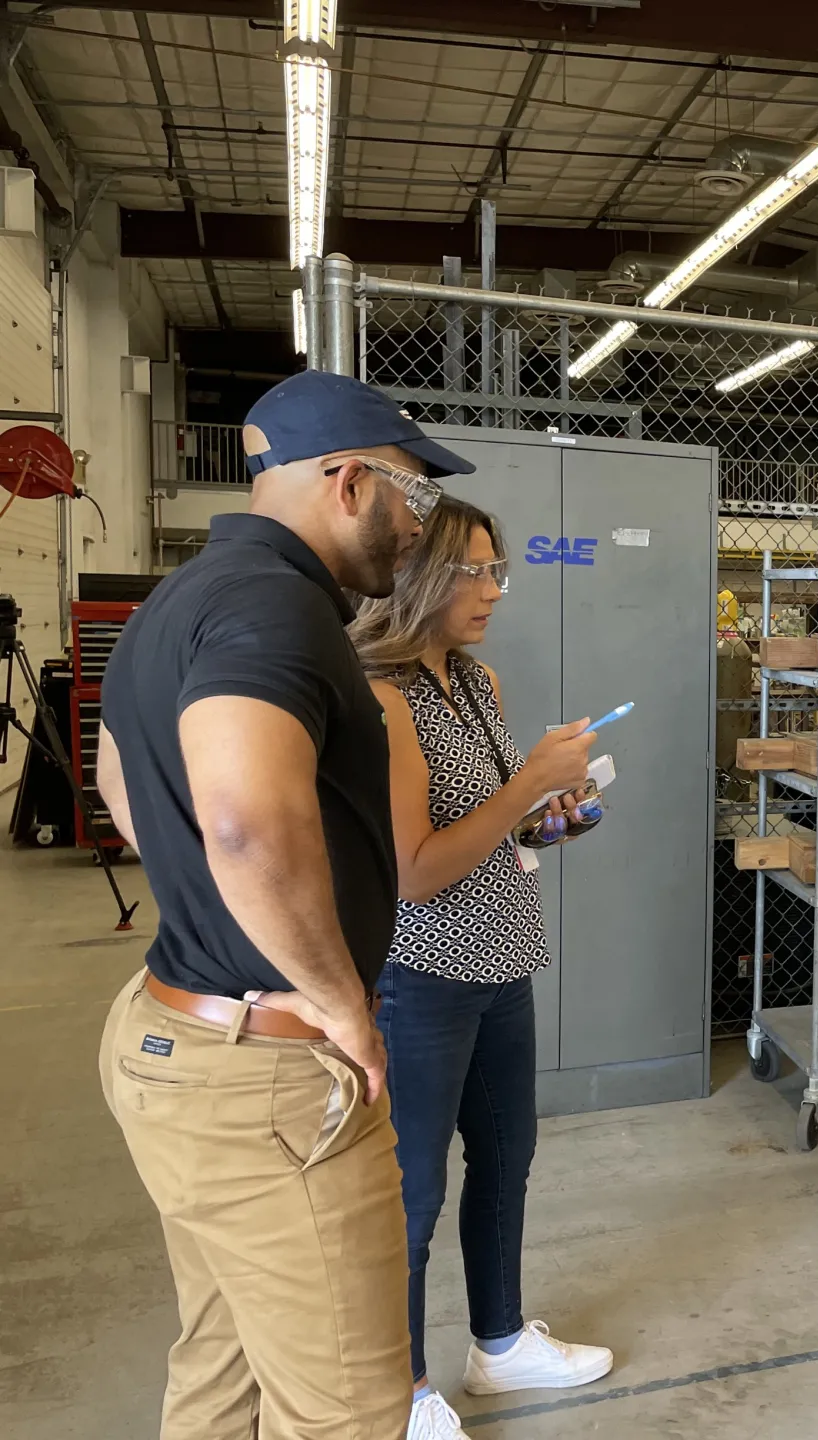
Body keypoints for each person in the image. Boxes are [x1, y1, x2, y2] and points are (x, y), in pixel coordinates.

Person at [93, 370, 470, 1439]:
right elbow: (247, 820)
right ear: (347, 483)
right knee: (347, 1412)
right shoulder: (279, 607)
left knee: (222, 1374)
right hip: (265, 1073)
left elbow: (125, 785)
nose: (416, 527)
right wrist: (339, 1004)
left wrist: (217, 905)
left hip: (174, 1039)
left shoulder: (175, 599)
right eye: (414, 497)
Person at [350, 500, 614, 1439]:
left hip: (503, 959)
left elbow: (502, 829)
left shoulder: (476, 682)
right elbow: (417, 869)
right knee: (415, 1187)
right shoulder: (379, 697)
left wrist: (561, 809)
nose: (492, 590)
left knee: (507, 1159)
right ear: (418, 570)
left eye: (499, 570)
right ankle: (404, 1390)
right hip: (420, 977)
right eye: (473, 571)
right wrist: (527, 785)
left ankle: (498, 1346)